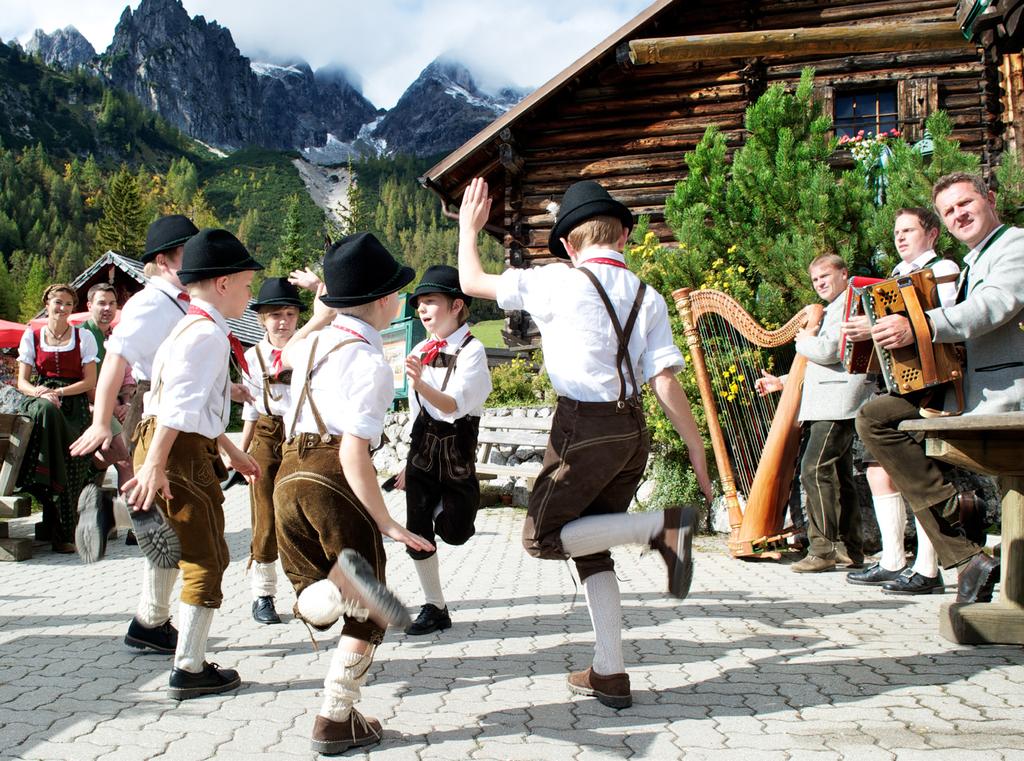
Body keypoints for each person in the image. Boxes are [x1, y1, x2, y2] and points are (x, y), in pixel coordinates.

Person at [457, 177, 713, 710]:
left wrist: (467, 227)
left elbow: (471, 279)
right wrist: (696, 447)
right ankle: (610, 672)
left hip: (581, 429)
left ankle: (661, 527)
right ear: (622, 235)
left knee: (540, 538)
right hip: (632, 430)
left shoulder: (557, 281)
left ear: (570, 245)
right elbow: (664, 382)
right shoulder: (650, 295)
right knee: (592, 550)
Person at [274, 232, 434, 754]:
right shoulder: (370, 363)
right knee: (370, 605)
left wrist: (322, 307)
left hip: (286, 475)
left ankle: (328, 591)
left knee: (310, 589)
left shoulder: (311, 343)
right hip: (332, 480)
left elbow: (288, 349)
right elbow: (352, 453)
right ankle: (334, 718)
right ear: (387, 300)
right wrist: (386, 520)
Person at [857, 172, 1024, 604]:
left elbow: (994, 306)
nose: (959, 214)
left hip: (1006, 390)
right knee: (876, 417)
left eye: (965, 204)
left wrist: (920, 325)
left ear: (990, 199)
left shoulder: (1016, 245)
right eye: (950, 211)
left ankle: (959, 528)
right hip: (967, 386)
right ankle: (959, 530)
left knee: (877, 419)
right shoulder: (972, 261)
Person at [121, 228, 263, 700]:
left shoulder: (191, 326)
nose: (250, 292)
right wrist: (159, 464)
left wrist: (227, 447)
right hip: (176, 449)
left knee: (172, 541)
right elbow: (180, 409)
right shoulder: (207, 336)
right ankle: (190, 667)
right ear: (222, 284)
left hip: (165, 441)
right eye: (246, 283)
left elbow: (188, 401)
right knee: (206, 554)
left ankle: (150, 623)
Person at [70, 215, 199, 654]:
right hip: (155, 405)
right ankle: (113, 512)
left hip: (178, 410)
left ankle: (150, 620)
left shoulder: (179, 301)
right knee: (175, 514)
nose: (197, 258)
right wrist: (101, 422)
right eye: (188, 251)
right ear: (163, 261)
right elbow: (114, 359)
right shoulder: (151, 303)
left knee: (169, 516)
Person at [842, 208, 961, 594]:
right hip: (896, 382)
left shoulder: (942, 271)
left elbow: (946, 321)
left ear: (931, 233)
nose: (900, 237)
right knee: (879, 470)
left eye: (908, 230)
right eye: (896, 231)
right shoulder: (893, 277)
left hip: (931, 385)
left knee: (914, 470)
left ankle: (928, 567)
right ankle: (894, 560)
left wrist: (873, 328)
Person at [755, 254, 876, 573]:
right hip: (829, 398)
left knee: (813, 468)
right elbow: (819, 364)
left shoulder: (851, 300)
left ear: (843, 273)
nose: (820, 283)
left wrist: (803, 341)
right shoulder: (832, 308)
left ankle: (822, 550)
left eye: (825, 276)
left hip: (838, 401)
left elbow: (829, 350)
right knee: (840, 476)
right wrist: (781, 382)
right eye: (815, 280)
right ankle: (850, 549)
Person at [392, 265, 492, 636]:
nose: (422, 308)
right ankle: (435, 607)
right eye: (419, 302)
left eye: (430, 301)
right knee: (416, 532)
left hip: (456, 452)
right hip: (422, 452)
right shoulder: (420, 348)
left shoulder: (473, 351)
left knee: (457, 530)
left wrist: (420, 381)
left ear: (456, 305)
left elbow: (453, 406)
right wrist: (407, 463)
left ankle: (444, 511)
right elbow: (418, 412)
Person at [239, 278, 305, 625]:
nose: (283, 321)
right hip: (266, 432)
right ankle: (262, 595)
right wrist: (241, 451)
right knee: (264, 515)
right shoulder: (253, 356)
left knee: (297, 513)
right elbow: (250, 408)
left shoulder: (308, 348)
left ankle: (307, 592)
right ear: (262, 318)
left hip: (300, 433)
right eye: (275, 315)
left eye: (290, 314)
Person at [16, 284, 99, 552]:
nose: (61, 308)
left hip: (73, 406)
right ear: (47, 303)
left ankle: (64, 532)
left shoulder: (83, 337)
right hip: (42, 400)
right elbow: (21, 382)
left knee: (71, 461)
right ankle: (59, 531)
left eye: (67, 304)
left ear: (73, 309)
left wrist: (59, 391)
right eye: (57, 302)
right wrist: (41, 392)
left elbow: (90, 381)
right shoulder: (32, 336)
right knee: (45, 410)